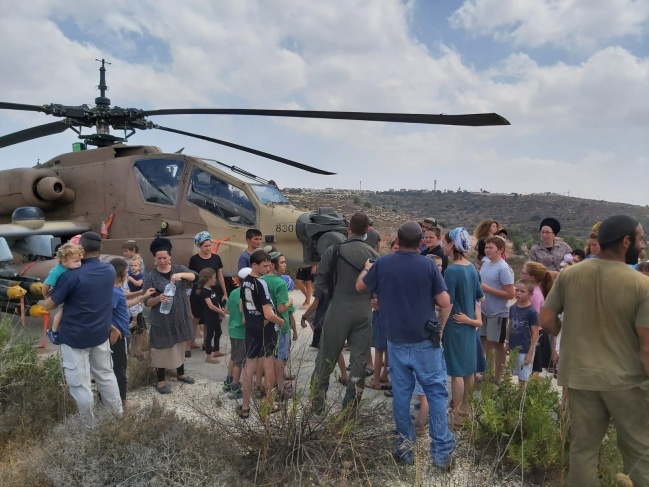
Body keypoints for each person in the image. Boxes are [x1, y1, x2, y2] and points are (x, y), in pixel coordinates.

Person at [539, 215, 649, 487]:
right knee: (640, 451)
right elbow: (646, 346)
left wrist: (568, 329)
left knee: (583, 450)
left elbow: (546, 321)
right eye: (641, 238)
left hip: (580, 378)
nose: (643, 244)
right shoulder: (642, 285)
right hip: (627, 382)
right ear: (626, 242)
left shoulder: (570, 275)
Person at [357, 220, 455, 468]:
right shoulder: (428, 265)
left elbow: (361, 286)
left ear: (397, 241)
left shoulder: (383, 263)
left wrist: (367, 268)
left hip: (396, 342)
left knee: (401, 395)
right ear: (421, 242)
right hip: (424, 342)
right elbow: (444, 302)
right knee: (435, 393)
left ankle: (405, 449)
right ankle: (441, 453)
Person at [43, 232, 122, 422]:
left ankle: (88, 426)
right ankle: (117, 417)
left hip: (74, 337)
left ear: (81, 250)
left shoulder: (71, 276)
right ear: (100, 249)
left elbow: (49, 305)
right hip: (100, 333)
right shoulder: (109, 270)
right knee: (106, 375)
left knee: (80, 384)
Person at [311, 212, 379, 414]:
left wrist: (332, 293)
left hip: (338, 307)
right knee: (359, 361)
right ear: (367, 230)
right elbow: (377, 287)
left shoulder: (335, 250)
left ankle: (317, 405)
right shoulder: (373, 256)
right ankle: (350, 408)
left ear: (348, 228)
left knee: (326, 357)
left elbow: (320, 280)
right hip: (363, 310)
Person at [439, 228, 484, 426]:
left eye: (444, 242)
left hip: (455, 324)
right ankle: (466, 407)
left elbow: (447, 304)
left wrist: (440, 329)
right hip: (469, 323)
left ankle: (455, 414)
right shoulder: (471, 268)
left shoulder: (452, 270)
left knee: (456, 371)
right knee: (469, 368)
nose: (442, 245)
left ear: (452, 244)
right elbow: (479, 296)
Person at [143, 237, 197, 394]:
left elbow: (195, 276)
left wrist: (181, 275)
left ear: (170, 257)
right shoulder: (151, 277)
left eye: (164, 257)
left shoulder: (178, 268)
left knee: (180, 345)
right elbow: (147, 302)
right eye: (159, 258)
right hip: (162, 320)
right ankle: (160, 381)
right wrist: (158, 299)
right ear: (154, 259)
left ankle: (181, 373)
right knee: (162, 349)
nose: (162, 260)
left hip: (180, 317)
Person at [238, 251, 286, 419]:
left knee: (249, 366)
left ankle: (245, 406)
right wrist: (280, 321)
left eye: (269, 265)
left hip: (251, 327)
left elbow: (242, 308)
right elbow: (268, 313)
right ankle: (270, 402)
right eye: (265, 265)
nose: (268, 268)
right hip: (265, 328)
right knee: (268, 364)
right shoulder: (261, 283)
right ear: (254, 265)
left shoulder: (244, 283)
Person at [108, 258, 155, 409]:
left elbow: (124, 303)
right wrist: (112, 329)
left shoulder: (115, 289)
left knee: (116, 366)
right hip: (118, 335)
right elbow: (103, 313)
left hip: (122, 332)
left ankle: (111, 398)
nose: (128, 273)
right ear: (119, 273)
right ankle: (122, 401)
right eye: (126, 271)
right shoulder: (113, 291)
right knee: (119, 368)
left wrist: (143, 296)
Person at [479, 236, 515, 384]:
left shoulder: (503, 268)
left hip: (498, 312)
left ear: (500, 250)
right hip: (484, 309)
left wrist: (488, 289)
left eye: (491, 248)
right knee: (485, 342)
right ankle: (488, 371)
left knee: (498, 345)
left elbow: (510, 294)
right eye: (486, 247)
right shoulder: (485, 264)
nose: (487, 250)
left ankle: (499, 376)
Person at [188, 231, 228, 357]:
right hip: (198, 291)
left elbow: (220, 277)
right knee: (196, 318)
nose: (208, 248)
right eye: (205, 246)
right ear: (199, 246)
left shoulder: (216, 258)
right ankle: (189, 344)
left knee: (209, 319)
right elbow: (191, 277)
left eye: (209, 245)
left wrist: (225, 293)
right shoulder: (194, 259)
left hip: (213, 291)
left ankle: (207, 343)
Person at [262, 251, 294, 400]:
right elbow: (281, 308)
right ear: (273, 265)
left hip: (267, 325)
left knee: (270, 358)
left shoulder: (262, 279)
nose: (285, 265)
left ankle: (271, 384)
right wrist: (290, 302)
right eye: (282, 262)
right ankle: (280, 389)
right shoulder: (280, 283)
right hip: (280, 325)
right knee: (280, 359)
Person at [43, 243, 84, 344]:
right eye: (76, 261)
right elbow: (46, 285)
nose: (79, 264)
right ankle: (53, 331)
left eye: (80, 261)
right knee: (62, 311)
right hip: (58, 293)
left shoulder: (69, 268)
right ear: (64, 261)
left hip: (67, 292)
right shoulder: (56, 272)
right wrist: (45, 296)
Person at [505, 279, 540, 389]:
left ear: (530, 294)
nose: (518, 293)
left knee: (523, 378)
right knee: (512, 374)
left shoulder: (532, 312)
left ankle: (521, 399)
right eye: (517, 290)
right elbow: (510, 325)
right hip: (514, 347)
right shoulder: (513, 308)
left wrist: (530, 352)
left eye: (523, 291)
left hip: (525, 349)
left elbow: (535, 333)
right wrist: (507, 342)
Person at [223, 268, 247, 399]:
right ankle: (235, 387)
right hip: (241, 332)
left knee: (234, 356)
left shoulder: (234, 292)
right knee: (239, 360)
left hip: (232, 329)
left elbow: (226, 310)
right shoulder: (246, 295)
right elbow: (245, 319)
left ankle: (228, 381)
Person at [196, 268, 227, 364]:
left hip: (215, 315)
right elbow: (210, 306)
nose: (215, 280)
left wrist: (220, 309)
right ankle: (208, 356)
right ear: (208, 279)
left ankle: (216, 350)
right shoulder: (204, 291)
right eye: (213, 278)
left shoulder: (211, 289)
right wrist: (221, 312)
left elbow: (216, 302)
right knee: (210, 335)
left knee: (218, 332)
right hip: (209, 315)